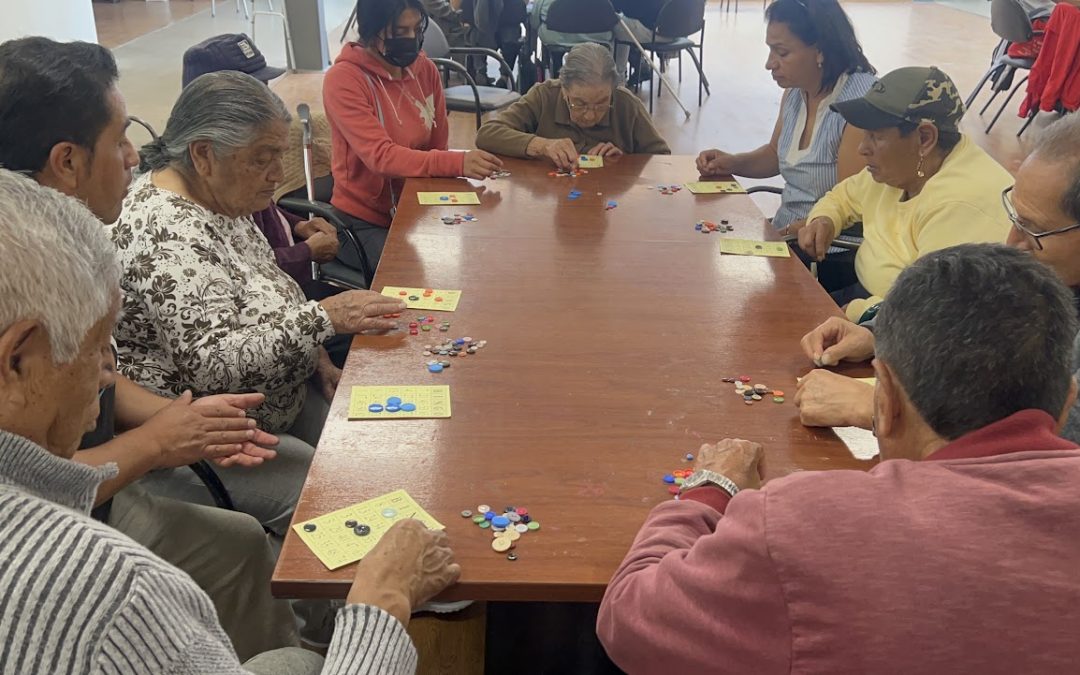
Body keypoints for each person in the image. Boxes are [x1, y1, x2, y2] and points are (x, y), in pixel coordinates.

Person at [0, 168, 461, 674]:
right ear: (18, 361)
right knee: (297, 661)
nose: (112, 373)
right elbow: (210, 364)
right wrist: (382, 604)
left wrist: (174, 421)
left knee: (264, 543)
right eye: (96, 351)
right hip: (135, 499)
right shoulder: (111, 589)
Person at [598, 243, 1080, 674]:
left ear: (883, 398)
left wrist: (711, 487)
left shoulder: (802, 524)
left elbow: (628, 618)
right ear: (1065, 403)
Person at [0, 35, 306, 658]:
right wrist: (156, 442)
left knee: (259, 526)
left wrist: (167, 415)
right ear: (66, 162)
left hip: (107, 471)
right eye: (118, 140)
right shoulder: (32, 275)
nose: (135, 157)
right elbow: (28, 494)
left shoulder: (74, 239)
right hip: (87, 503)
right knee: (245, 547)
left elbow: (101, 375)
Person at [108, 71, 409, 527]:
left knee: (374, 450)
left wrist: (314, 357)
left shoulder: (220, 196)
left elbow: (264, 289)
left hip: (280, 393)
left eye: (279, 155)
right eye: (262, 158)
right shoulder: (163, 230)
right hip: (216, 432)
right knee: (332, 499)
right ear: (204, 154)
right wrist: (321, 321)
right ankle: (339, 596)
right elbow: (213, 367)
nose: (275, 175)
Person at [796, 113, 1080, 441]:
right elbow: (974, 310)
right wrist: (876, 334)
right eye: (1015, 217)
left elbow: (1049, 462)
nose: (1013, 242)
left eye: (1037, 230)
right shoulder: (1042, 273)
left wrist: (881, 408)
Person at [794, 65, 1012, 316]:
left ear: (924, 138)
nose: (862, 148)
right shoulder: (899, 169)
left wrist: (854, 313)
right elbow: (843, 196)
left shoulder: (962, 203)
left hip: (902, 326)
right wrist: (825, 219)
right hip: (864, 296)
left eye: (875, 136)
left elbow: (932, 311)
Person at [324, 0, 502, 275]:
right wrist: (457, 163)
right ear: (373, 31)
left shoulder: (426, 70)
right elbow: (381, 157)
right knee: (419, 274)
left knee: (473, 256)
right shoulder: (344, 79)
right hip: (362, 220)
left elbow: (438, 145)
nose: (411, 39)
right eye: (399, 31)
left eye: (416, 29)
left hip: (415, 205)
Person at [696, 0, 876, 233]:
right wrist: (731, 162)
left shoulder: (859, 103)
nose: (769, 64)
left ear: (820, 50)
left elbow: (849, 206)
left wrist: (793, 233)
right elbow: (775, 154)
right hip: (788, 233)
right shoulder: (796, 91)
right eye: (770, 50)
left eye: (782, 52)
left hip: (826, 248)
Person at [182, 33, 341, 294]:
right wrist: (305, 252)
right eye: (254, 92)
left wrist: (297, 225)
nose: (277, 175)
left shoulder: (245, 153)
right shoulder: (210, 182)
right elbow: (245, 272)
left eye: (266, 86)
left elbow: (267, 209)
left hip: (292, 290)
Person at [475, 42, 670, 169]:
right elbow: (487, 134)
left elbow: (663, 159)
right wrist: (542, 145)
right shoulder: (544, 96)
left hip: (611, 198)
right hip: (549, 194)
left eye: (602, 104)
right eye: (580, 104)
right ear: (564, 89)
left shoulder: (626, 104)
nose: (590, 115)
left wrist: (625, 161)